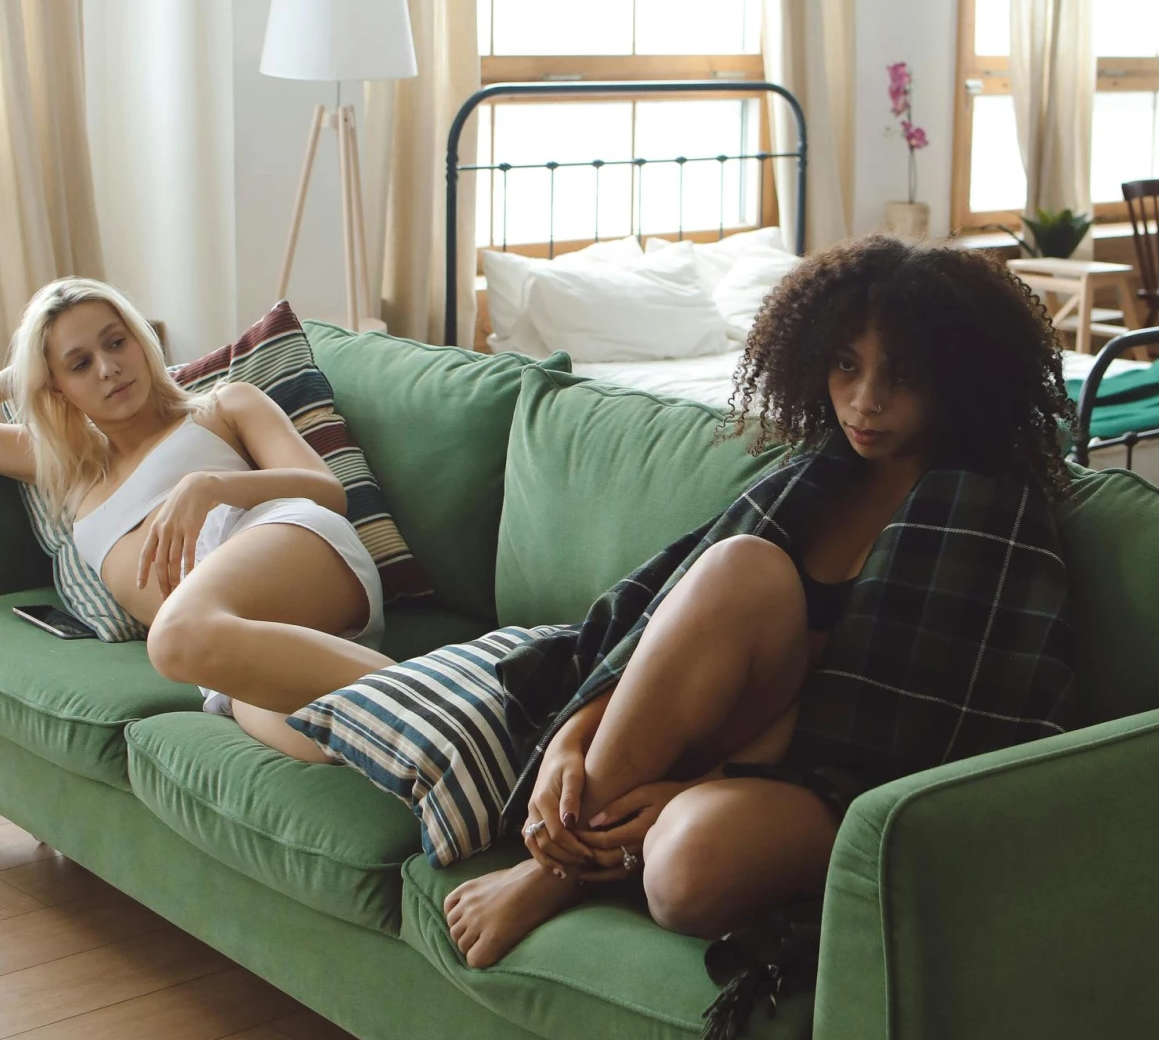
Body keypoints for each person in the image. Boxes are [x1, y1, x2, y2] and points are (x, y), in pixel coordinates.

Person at [444, 235, 1076, 973]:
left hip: (839, 787)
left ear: (957, 382)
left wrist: (693, 791)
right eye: (846, 365)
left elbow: (927, 735)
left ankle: (567, 865)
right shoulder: (805, 483)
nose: (864, 401)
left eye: (900, 376)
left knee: (686, 872)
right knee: (738, 564)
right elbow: (651, 630)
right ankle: (567, 864)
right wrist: (572, 741)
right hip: (712, 746)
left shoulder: (989, 518)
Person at [0, 278, 390, 758]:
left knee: (172, 639)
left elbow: (328, 493)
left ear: (140, 341)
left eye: (116, 342)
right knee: (317, 744)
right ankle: (438, 700)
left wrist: (213, 484)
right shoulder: (70, 465)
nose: (108, 368)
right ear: (56, 386)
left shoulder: (224, 405)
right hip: (220, 645)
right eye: (80, 364)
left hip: (291, 546)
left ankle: (444, 693)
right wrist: (18, 375)